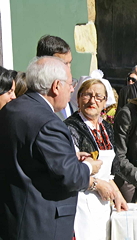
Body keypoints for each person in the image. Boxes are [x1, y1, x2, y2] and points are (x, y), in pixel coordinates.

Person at [0, 56, 102, 240]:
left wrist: (70, 155)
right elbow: (71, 177)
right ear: (56, 86)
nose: (72, 89)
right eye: (71, 84)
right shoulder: (49, 123)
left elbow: (30, 156)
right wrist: (89, 166)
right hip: (42, 225)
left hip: (14, 220)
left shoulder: (11, 109)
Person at [64, 79, 128, 240]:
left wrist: (117, 195)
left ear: (105, 101)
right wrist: (98, 185)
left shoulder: (106, 127)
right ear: (78, 99)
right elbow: (70, 170)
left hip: (103, 203)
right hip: (80, 201)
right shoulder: (70, 127)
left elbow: (110, 172)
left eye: (99, 96)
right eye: (87, 95)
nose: (93, 101)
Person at [36, 35, 75, 120]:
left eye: (69, 63)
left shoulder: (75, 88)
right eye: (64, 64)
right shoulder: (36, 97)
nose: (68, 68)